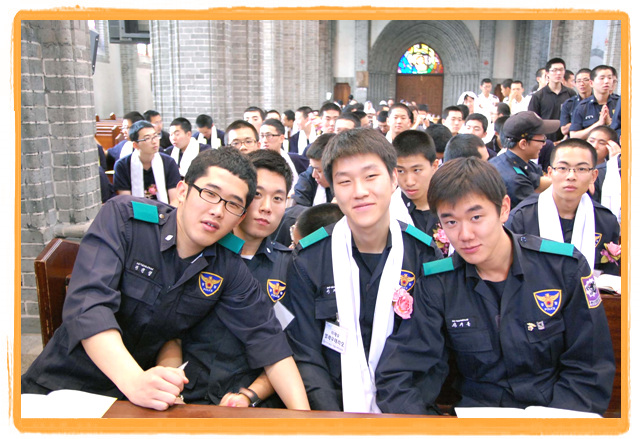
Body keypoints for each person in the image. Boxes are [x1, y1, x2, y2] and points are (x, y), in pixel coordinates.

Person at [22, 147, 309, 412]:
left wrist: (305, 422)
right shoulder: (126, 220)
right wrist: (133, 381)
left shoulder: (228, 266)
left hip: (138, 403)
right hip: (63, 386)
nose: (218, 210)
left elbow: (268, 340)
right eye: (210, 194)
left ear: (240, 216)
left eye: (233, 204)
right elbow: (89, 307)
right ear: (182, 191)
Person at [375, 157, 615, 416]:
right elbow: (399, 372)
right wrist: (429, 427)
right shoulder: (438, 284)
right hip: (473, 420)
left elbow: (589, 368)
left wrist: (552, 427)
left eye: (476, 217)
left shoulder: (563, 269)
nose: (465, 235)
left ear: (504, 209)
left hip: (553, 417)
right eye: (451, 222)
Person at [285, 127, 442, 412]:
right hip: (332, 413)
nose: (360, 192)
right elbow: (306, 354)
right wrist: (335, 421)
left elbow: (431, 353)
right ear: (333, 189)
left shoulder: (424, 255)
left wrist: (406, 418)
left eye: (371, 176)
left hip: (408, 412)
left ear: (393, 179)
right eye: (345, 181)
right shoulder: (309, 259)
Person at [175, 149, 301, 407]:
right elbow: (169, 331)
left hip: (253, 403)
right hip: (185, 394)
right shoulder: (198, 250)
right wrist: (172, 382)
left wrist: (249, 395)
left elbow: (291, 348)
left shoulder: (291, 267)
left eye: (278, 198)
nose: (266, 208)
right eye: (257, 195)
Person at [506, 139, 620, 275]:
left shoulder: (605, 220)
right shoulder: (522, 217)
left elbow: (609, 275)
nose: (571, 176)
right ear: (550, 173)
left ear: (593, 176)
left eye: (581, 169)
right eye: (562, 168)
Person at [489, 111, 558, 208]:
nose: (544, 143)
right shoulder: (515, 181)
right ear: (523, 144)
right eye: (542, 140)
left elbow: (536, 180)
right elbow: (534, 210)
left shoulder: (509, 161)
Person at [113, 120, 181, 205]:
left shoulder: (169, 163)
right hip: (134, 212)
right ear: (135, 145)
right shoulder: (122, 166)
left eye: (155, 136)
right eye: (147, 138)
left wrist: (167, 213)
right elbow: (126, 202)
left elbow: (174, 200)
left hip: (165, 211)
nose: (154, 141)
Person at [392, 130, 440, 237]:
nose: (409, 182)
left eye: (417, 170)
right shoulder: (389, 211)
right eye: (401, 171)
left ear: (434, 166)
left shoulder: (452, 202)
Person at [528, 58, 577, 142]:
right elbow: (532, 120)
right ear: (547, 73)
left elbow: (575, 117)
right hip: (545, 140)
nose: (558, 73)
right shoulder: (538, 96)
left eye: (561, 70)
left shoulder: (570, 93)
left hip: (565, 140)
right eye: (554, 70)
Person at [570, 65, 619, 140]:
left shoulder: (619, 103)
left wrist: (610, 124)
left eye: (609, 78)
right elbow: (574, 136)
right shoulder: (583, 106)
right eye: (602, 78)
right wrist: (599, 124)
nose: (606, 81)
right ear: (591, 83)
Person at [291, 133, 335, 207]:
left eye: (319, 171)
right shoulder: (307, 177)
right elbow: (297, 208)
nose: (314, 175)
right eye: (312, 167)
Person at [559, 68, 592, 137]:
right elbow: (564, 130)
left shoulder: (598, 101)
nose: (582, 84)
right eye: (579, 81)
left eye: (586, 80)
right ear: (575, 84)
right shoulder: (569, 103)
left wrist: (574, 124)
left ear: (592, 82)